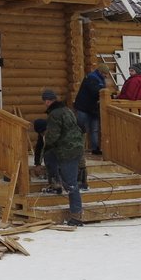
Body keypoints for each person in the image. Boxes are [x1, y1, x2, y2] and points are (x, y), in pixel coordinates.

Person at [40, 88, 85, 226]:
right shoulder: (67, 110)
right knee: (67, 178)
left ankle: (76, 216)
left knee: (71, 184)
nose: (45, 104)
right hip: (76, 147)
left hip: (67, 151)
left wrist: (45, 143)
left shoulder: (54, 114)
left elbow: (53, 135)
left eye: (44, 101)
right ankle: (56, 182)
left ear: (47, 101)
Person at [74, 64, 111, 155]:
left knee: (94, 129)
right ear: (100, 72)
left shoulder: (99, 78)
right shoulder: (91, 78)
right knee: (80, 128)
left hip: (93, 109)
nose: (106, 76)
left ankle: (95, 149)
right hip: (84, 108)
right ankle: (77, 148)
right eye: (105, 74)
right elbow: (95, 92)